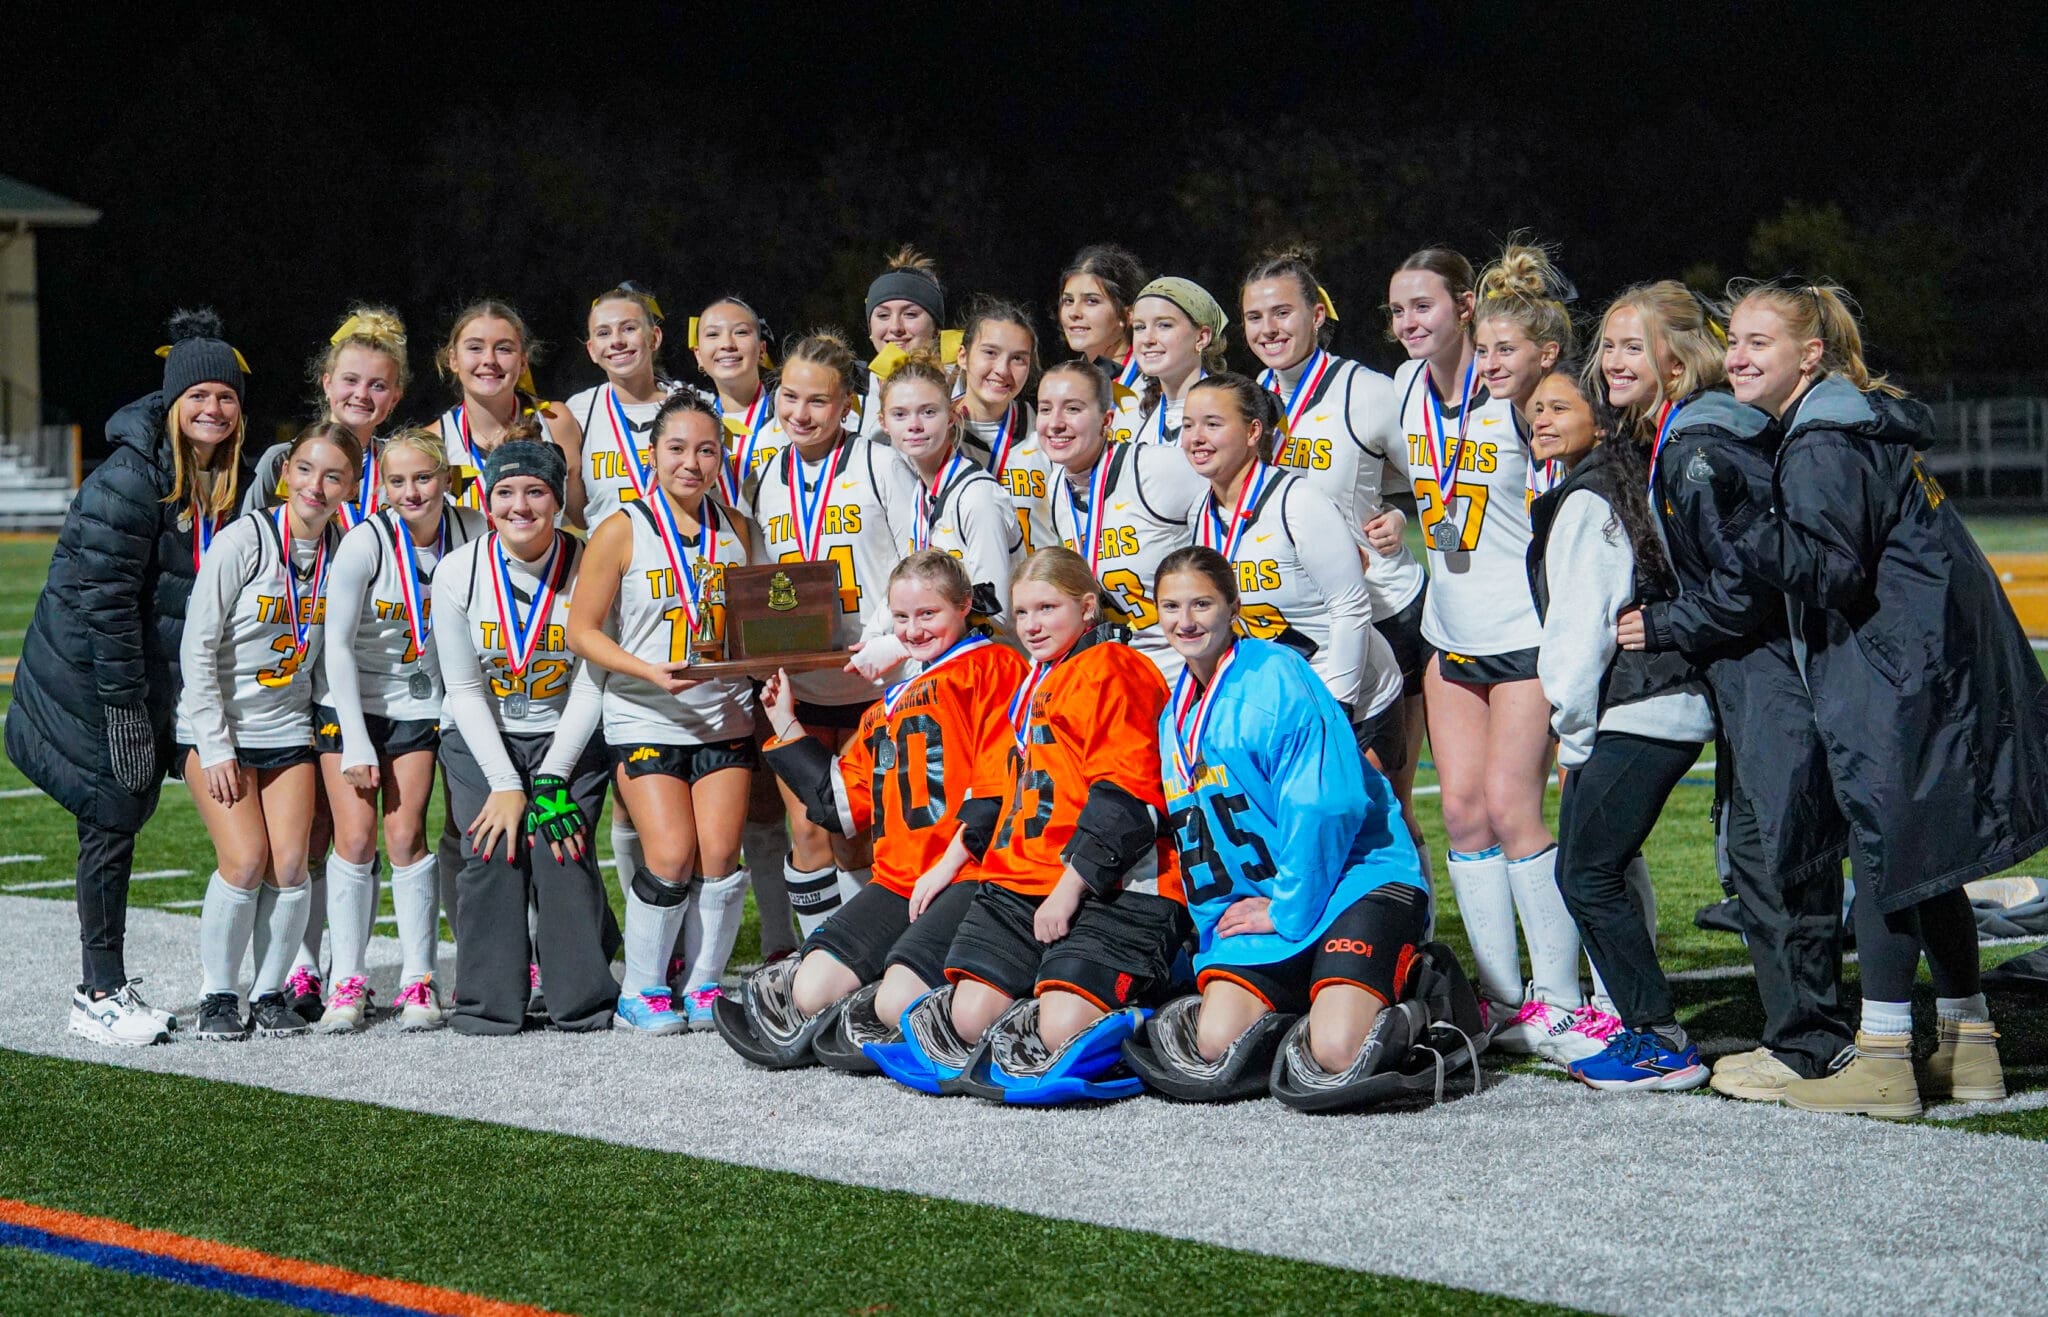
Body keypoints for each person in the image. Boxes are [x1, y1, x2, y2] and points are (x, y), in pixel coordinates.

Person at [1707, 281, 2048, 1117]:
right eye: (1734, 340)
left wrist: (1730, 522)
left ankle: (1887, 1054)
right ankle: (1970, 1046)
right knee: (1930, 862)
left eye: (1759, 341)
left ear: (1809, 355)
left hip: (1896, 673)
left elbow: (1829, 567)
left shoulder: (1822, 438)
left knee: (1886, 850)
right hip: (1934, 664)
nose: (1737, 357)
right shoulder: (1853, 420)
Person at [1610, 281, 1856, 1100]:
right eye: (1605, 345)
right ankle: (1797, 1034)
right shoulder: (1687, 437)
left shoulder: (1698, 447)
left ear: (1675, 366)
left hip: (1770, 671)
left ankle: (1817, 1041)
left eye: (1630, 346)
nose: (1610, 361)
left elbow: (1747, 586)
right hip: (1750, 673)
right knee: (1760, 853)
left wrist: (1666, 622)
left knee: (1786, 852)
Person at [8, 310, 248, 1046]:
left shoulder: (215, 474)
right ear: (172, 401)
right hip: (91, 677)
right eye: (198, 395)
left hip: (147, 677)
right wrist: (123, 709)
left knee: (123, 814)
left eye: (227, 396)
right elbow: (104, 605)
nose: (213, 408)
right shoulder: (131, 476)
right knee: (109, 817)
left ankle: (114, 983)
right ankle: (97, 990)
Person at [868, 548, 1187, 1100]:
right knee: (966, 1017)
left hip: (1114, 881)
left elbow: (1126, 803)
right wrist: (951, 866)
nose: (1033, 625)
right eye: (1022, 613)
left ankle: (1160, 999)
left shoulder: (1114, 667)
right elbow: (991, 794)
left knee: (1061, 1028)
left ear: (1088, 608)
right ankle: (1055, 992)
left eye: (1048, 608)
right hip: (1023, 877)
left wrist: (1066, 894)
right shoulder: (1032, 680)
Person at [1385, 246, 1589, 1052]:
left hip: (1525, 633)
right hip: (1450, 631)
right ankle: (1504, 1001)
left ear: (1465, 307)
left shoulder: (1519, 393)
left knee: (1514, 810)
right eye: (1397, 309)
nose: (1408, 322)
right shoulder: (1398, 387)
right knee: (1464, 813)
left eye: (1423, 306)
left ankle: (1565, 998)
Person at [1136, 547, 1431, 1099]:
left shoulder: (1278, 675)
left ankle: (1427, 991)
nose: (1186, 620)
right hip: (1272, 901)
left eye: (1201, 603)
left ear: (1233, 605)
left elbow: (1329, 806)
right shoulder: (1174, 712)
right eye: (1171, 606)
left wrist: (1287, 907)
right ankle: (1313, 991)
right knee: (1214, 1044)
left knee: (1337, 1053)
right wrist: (1220, 928)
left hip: (1352, 882)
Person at [718, 551, 1027, 1068]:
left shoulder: (994, 666)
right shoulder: (887, 703)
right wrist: (785, 722)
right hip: (902, 878)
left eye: (928, 614)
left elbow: (999, 789)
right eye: (901, 617)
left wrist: (951, 866)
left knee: (893, 1005)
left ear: (964, 606)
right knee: (808, 989)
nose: (914, 629)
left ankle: (985, 1002)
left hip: (971, 873)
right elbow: (840, 806)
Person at [1524, 364, 1712, 1087]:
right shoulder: (1608, 483)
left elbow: (1579, 633)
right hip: (1652, 704)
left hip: (1641, 707)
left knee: (1586, 871)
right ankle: (1643, 1024)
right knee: (1599, 864)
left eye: (1558, 407)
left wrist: (1572, 736)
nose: (1539, 418)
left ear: (1599, 421)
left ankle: (1659, 1038)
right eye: (1534, 409)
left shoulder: (1586, 500)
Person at [566, 394, 758, 1033]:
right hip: (645, 713)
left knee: (721, 854)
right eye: (677, 448)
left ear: (721, 457)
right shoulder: (621, 527)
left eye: (707, 449)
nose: (692, 462)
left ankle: (704, 982)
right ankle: (642, 987)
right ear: (653, 455)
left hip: (723, 712)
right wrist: (648, 670)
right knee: (672, 854)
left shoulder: (738, 527)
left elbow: (752, 623)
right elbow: (581, 631)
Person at [1241, 248, 1429, 856]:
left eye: (1282, 312)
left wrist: (1400, 516)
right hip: (1290, 627)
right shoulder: (1243, 401)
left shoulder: (1368, 391)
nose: (1269, 329)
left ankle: (1410, 942)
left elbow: (1441, 483)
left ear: (1318, 313)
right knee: (1300, 804)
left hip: (1381, 615)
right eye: (1254, 317)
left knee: (1382, 803)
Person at [180, 422, 359, 1040]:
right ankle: (217, 994)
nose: (317, 485)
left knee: (291, 865)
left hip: (288, 727)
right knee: (246, 859)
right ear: (285, 473)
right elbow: (197, 646)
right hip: (222, 728)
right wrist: (214, 742)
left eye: (333, 475)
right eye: (306, 469)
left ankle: (268, 992)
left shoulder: (348, 550)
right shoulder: (245, 540)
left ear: (350, 487)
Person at [431, 440, 613, 1034]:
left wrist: (552, 777)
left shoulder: (590, 565)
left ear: (558, 500)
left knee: (559, 844)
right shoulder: (458, 570)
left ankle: (582, 998)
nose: (520, 505)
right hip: (483, 736)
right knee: (492, 847)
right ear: (486, 502)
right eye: (505, 492)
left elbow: (591, 687)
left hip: (568, 731)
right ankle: (487, 1002)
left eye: (536, 491)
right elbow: (462, 688)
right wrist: (507, 784)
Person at [741, 330, 919, 937]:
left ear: (848, 405)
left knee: (860, 831)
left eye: (818, 401)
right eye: (789, 397)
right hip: (801, 687)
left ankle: (865, 960)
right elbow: (758, 580)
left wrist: (885, 643)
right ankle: (823, 964)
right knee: (811, 830)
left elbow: (915, 563)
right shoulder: (762, 476)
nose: (801, 413)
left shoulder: (882, 465)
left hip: (874, 684)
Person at [314, 428, 487, 1031]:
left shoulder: (472, 530)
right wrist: (356, 738)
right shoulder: (365, 541)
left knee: (407, 835)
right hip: (352, 701)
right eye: (397, 481)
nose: (411, 491)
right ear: (380, 487)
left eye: (423, 477)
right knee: (356, 839)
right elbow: (334, 646)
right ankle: (348, 981)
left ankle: (418, 978)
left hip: (421, 703)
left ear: (445, 477)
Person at [1178, 373, 1402, 747]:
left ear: (1253, 431)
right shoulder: (1200, 513)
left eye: (1212, 424)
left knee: (1351, 807)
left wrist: (1337, 710)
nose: (1196, 437)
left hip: (1354, 698)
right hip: (1283, 701)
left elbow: (1350, 607)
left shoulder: (1298, 501)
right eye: (1188, 425)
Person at [1036, 359, 1204, 678]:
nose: (1055, 423)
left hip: (1180, 676)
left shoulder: (1154, 468)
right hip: (1117, 679)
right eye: (1045, 409)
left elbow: (1235, 515)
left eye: (1072, 409)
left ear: (1106, 420)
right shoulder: (1057, 483)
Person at [879, 352, 1023, 636]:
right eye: (900, 414)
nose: (914, 425)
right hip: (953, 660)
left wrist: (897, 646)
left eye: (929, 412)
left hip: (993, 665)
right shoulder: (921, 493)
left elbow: (996, 613)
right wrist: (872, 639)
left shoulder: (977, 496)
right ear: (883, 423)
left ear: (952, 417)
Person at [243, 306, 409, 522]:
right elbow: (246, 540)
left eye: (377, 386)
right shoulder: (282, 460)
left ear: (395, 398)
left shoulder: (400, 465)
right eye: (350, 380)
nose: (361, 394)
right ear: (328, 384)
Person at [559, 282, 694, 530]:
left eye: (629, 328)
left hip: (685, 556)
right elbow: (578, 512)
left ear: (654, 337)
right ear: (592, 350)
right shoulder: (578, 411)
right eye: (603, 333)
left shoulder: (693, 403)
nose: (616, 341)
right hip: (612, 562)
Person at [427, 300, 578, 514]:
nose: (489, 359)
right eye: (475, 348)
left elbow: (582, 516)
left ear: (523, 361)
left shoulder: (555, 421)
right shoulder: (432, 444)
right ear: (453, 359)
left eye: (504, 349)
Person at [954, 297, 1056, 555]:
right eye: (990, 352)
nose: (1002, 369)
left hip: (1032, 591)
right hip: (956, 593)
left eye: (1018, 359)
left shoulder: (1048, 432)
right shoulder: (932, 433)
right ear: (963, 356)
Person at [692, 295, 786, 506]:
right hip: (721, 538)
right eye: (713, 334)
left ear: (762, 350)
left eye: (741, 332)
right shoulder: (693, 424)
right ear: (698, 355)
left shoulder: (790, 411)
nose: (727, 344)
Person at [856, 247, 955, 436]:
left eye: (910, 314)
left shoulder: (962, 384)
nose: (895, 327)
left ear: (936, 328)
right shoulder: (852, 390)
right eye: (883, 315)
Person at [1056, 244, 1149, 444]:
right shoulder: (1061, 384)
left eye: (1091, 301)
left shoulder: (1155, 384)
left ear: (1128, 314)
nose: (1074, 312)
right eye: (1068, 301)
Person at [1128, 277, 1229, 446]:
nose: (1147, 339)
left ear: (1201, 337)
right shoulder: (1138, 415)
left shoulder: (1227, 412)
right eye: (1139, 327)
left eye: (1164, 325)